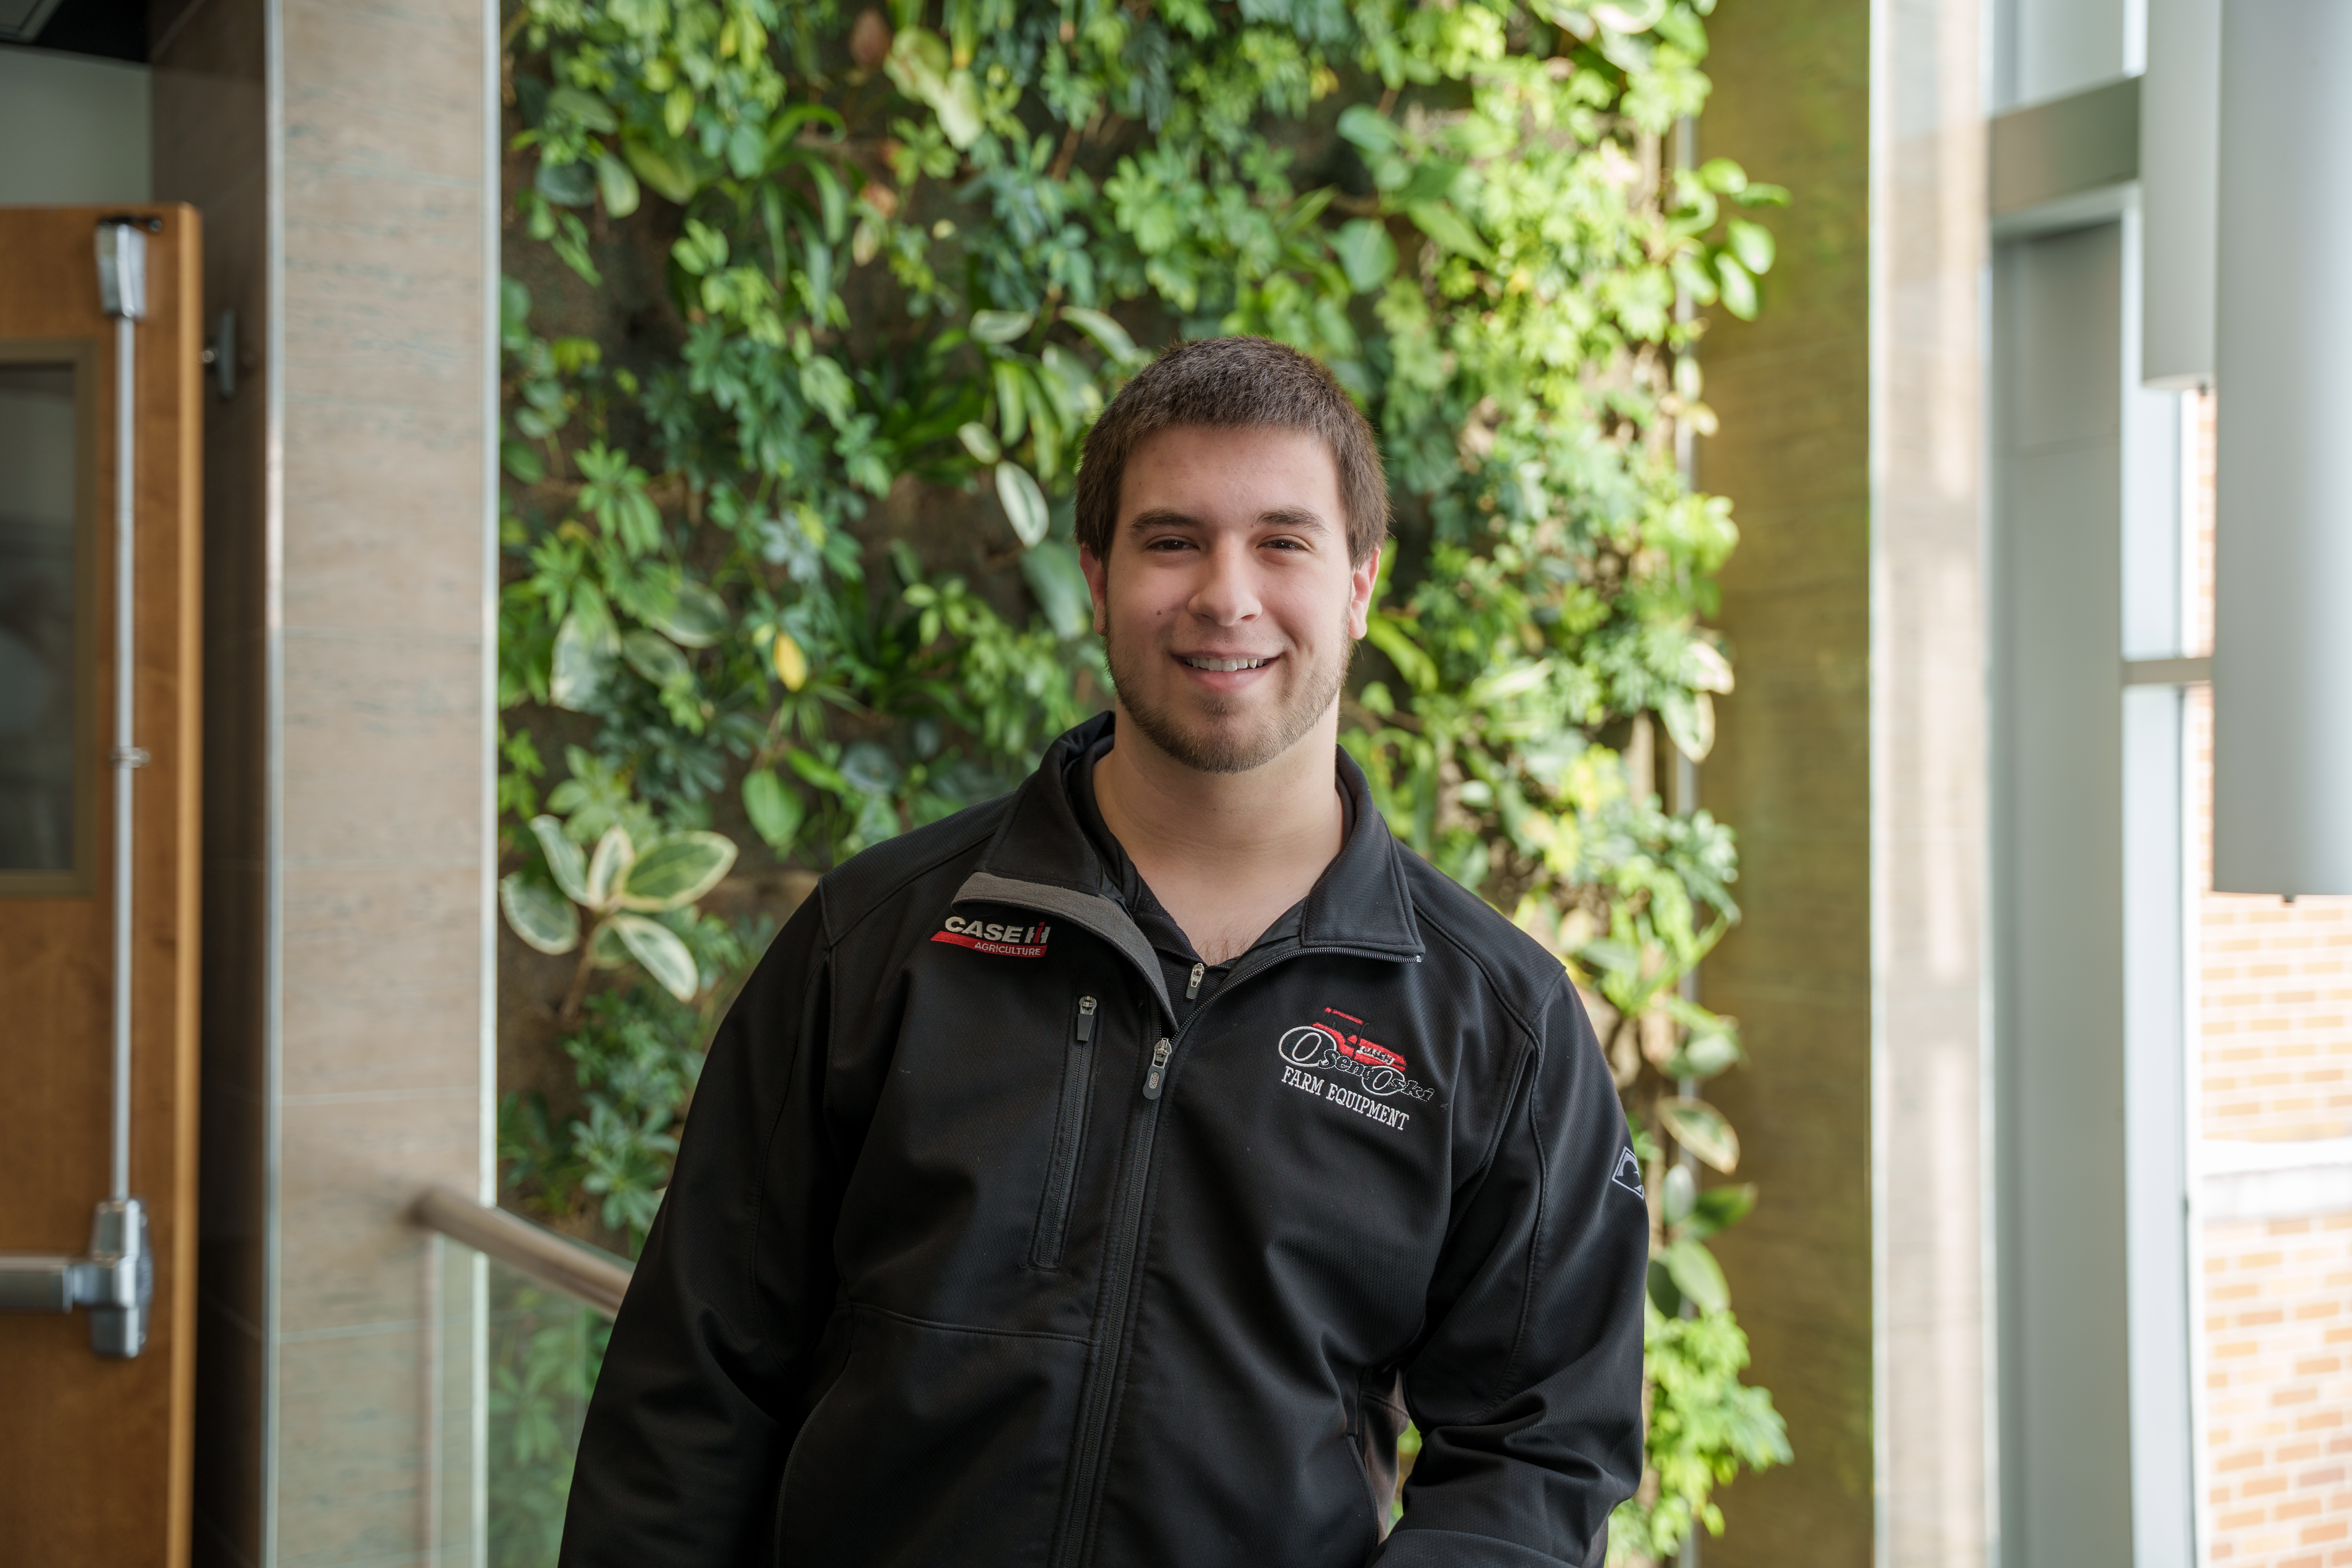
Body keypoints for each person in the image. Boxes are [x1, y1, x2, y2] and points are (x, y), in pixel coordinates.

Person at [558, 335, 1649, 1568]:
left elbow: (1538, 1452)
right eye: (1173, 539)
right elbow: (691, 1387)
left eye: (1282, 541)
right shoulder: (879, 939)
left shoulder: (1495, 1021)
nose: (1226, 596)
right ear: (1096, 573)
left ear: (1359, 582)